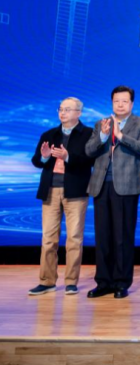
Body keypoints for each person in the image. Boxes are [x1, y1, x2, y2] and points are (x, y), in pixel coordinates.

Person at [85, 86, 140, 299]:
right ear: (112, 102)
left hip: (127, 186)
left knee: (122, 236)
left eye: (124, 101)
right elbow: (89, 151)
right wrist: (103, 136)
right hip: (101, 185)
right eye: (116, 101)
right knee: (102, 236)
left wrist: (120, 135)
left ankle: (121, 282)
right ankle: (103, 282)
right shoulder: (101, 124)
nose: (120, 105)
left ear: (132, 103)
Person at [28, 97, 94, 295]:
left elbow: (91, 160)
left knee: (74, 238)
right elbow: (36, 161)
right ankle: (47, 281)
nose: (62, 113)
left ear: (79, 113)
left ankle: (71, 281)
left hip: (75, 191)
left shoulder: (88, 134)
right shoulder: (49, 134)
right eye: (61, 109)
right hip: (50, 190)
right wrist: (44, 157)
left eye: (67, 109)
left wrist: (68, 157)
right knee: (48, 239)